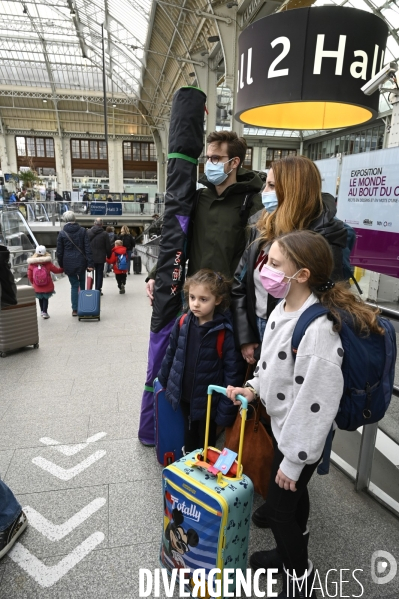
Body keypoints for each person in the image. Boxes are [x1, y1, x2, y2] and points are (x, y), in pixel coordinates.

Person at [226, 230, 385, 598]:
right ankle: (285, 554)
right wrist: (252, 388)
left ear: (302, 275)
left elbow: (317, 402)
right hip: (285, 428)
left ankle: (300, 574)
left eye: (275, 264)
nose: (265, 269)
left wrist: (294, 461)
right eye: (267, 262)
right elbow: (272, 366)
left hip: (301, 438)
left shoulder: (318, 331)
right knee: (291, 499)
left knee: (281, 509)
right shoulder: (283, 309)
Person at [232, 155, 347, 366]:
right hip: (256, 326)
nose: (264, 192)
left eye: (272, 185)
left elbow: (328, 299)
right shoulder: (261, 225)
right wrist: (245, 336)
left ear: (294, 190)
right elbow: (240, 283)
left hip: (297, 336)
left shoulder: (322, 238)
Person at [145, 131, 264, 305]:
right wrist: (157, 275)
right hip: (195, 297)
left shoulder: (252, 202)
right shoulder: (199, 198)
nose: (209, 164)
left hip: (230, 299)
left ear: (234, 162)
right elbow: (180, 239)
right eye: (207, 158)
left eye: (215, 158)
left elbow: (256, 251)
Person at [157, 269, 244, 453]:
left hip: (209, 401)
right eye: (192, 297)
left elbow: (232, 371)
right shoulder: (182, 323)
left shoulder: (223, 332)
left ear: (217, 300)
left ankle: (204, 469)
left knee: (206, 440)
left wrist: (225, 409)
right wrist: (163, 381)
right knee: (188, 432)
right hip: (185, 395)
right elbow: (171, 353)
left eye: (203, 299)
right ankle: (189, 460)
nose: (195, 304)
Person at [56, 211, 94, 316]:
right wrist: (90, 263)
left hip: (68, 262)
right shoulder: (82, 231)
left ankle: (75, 309)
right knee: (82, 283)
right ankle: (83, 306)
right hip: (81, 261)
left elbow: (59, 251)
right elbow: (87, 248)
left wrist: (61, 264)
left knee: (74, 285)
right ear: (75, 219)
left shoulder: (62, 233)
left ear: (65, 220)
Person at [27, 245, 63, 319]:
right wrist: (64, 269)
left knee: (40, 298)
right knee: (45, 298)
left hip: (37, 285)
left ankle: (42, 311)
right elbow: (56, 270)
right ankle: (45, 312)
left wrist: (33, 283)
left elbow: (29, 275)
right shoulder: (48, 263)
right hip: (47, 284)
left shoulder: (32, 264)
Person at [87, 218, 111, 295]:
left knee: (90, 273)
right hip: (101, 257)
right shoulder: (105, 234)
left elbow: (86, 245)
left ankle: (89, 288)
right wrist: (109, 255)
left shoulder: (88, 232)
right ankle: (98, 289)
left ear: (94, 223)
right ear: (102, 224)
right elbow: (108, 246)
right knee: (99, 273)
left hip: (90, 257)